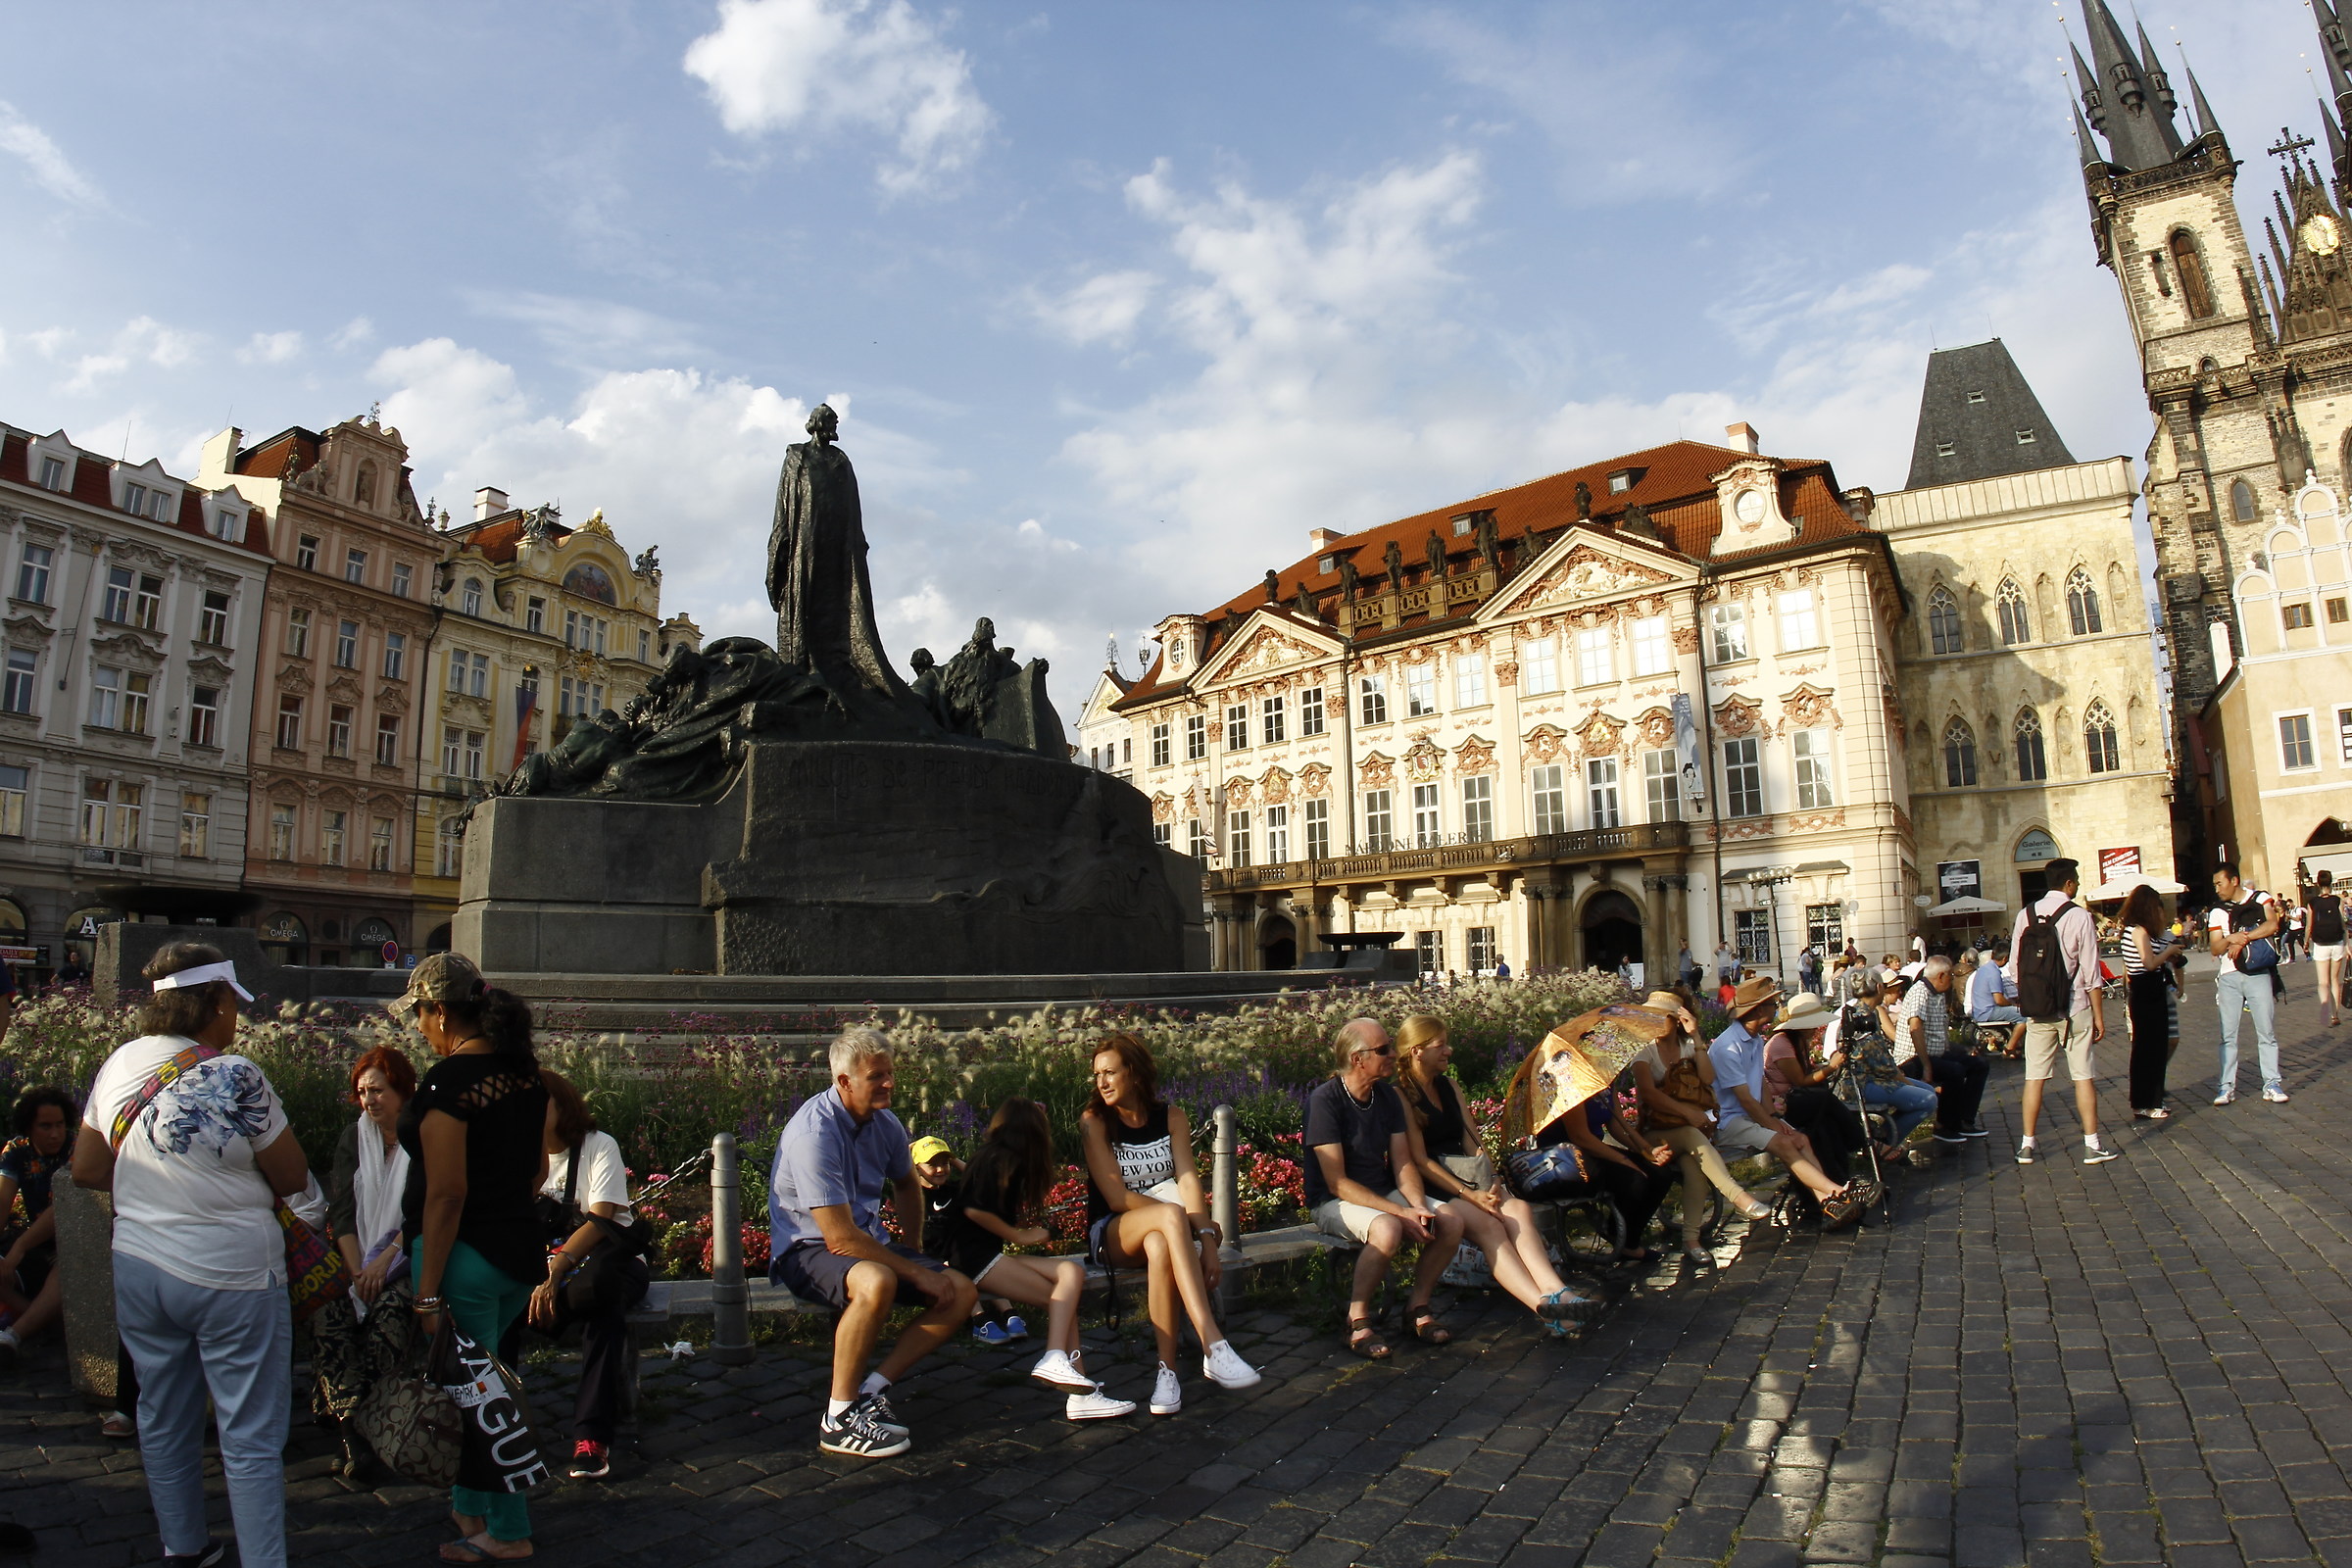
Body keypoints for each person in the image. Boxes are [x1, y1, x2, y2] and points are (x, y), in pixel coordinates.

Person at [72, 944, 318, 1568]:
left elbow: (88, 1167)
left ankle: (183, 1548)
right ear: (211, 1001)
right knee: (250, 1433)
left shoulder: (119, 1063)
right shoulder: (237, 1075)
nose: (237, 1016)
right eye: (233, 1003)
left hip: (140, 1266)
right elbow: (291, 1175)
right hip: (233, 1275)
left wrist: (154, 1187)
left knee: (162, 1415)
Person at [394, 952, 552, 1560]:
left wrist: (427, 1288)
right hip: (516, 1256)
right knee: (482, 1389)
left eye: (420, 1015)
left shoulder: (448, 1084)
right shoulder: (525, 1072)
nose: (417, 1028)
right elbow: (538, 1169)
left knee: (486, 1405)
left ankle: (508, 1534)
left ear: (440, 1012)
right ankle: (469, 1509)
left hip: (465, 1260)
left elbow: (446, 1193)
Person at [769, 1028, 979, 1457]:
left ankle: (871, 1390)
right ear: (844, 1082)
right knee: (876, 1281)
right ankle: (838, 1418)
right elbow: (839, 1238)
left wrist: (915, 1247)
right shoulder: (815, 1134)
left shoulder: (884, 1122)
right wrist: (917, 1271)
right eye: (876, 1076)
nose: (888, 1084)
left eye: (889, 1073)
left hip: (863, 1243)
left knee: (962, 1291)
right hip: (807, 1250)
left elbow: (906, 1182)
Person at [1080, 1035, 1260, 1412]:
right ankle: (1213, 1343)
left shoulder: (1170, 1116)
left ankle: (1167, 1375)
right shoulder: (1095, 1121)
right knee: (1169, 1217)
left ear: (1135, 1073)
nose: (1102, 1082)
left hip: (1163, 1233)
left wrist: (1208, 1244)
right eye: (1097, 1074)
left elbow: (1189, 1180)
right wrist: (1181, 1220)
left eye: (1110, 1072)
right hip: (1112, 1232)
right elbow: (1116, 1198)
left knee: (1161, 1245)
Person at [937, 1098, 1133, 1421]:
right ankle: (1061, 1366)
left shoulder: (993, 1157)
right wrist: (1020, 1235)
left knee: (1069, 1275)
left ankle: (1072, 1379)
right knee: (1062, 1300)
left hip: (983, 1255)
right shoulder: (1004, 1161)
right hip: (974, 1260)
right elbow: (975, 1211)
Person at [1394, 1015, 1596, 1321]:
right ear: (1417, 1051)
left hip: (1469, 1177)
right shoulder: (1400, 1095)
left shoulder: (1449, 1086)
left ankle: (1557, 1291)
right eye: (1440, 1045)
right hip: (1436, 1185)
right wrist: (1470, 1195)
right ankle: (1544, 1309)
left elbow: (1472, 1140)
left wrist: (1491, 1179)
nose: (1449, 1050)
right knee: (1490, 1227)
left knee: (1518, 1211)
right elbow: (1420, 1161)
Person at [1304, 1018, 1466, 1359]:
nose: (1394, 1054)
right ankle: (1357, 1318)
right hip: (1333, 1200)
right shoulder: (1326, 1100)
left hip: (1378, 1192)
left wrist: (1418, 1205)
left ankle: (1417, 1306)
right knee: (1388, 1228)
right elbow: (1338, 1183)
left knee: (1449, 1220)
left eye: (1391, 1046)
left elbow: (1403, 1162)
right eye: (1383, 1050)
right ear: (1357, 1059)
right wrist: (1401, 1212)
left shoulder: (1387, 1097)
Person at [531, 1071, 654, 1480]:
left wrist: (558, 1268)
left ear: (561, 1105)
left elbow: (601, 1218)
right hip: (547, 1273)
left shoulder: (599, 1146)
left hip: (608, 1265)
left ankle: (591, 1436)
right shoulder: (521, 1157)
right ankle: (502, 1422)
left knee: (604, 1304)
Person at [312, 1047, 417, 1478]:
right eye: (362, 1092)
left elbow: (426, 1213)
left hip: (408, 1258)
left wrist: (383, 1263)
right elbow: (341, 1212)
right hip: (360, 1261)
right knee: (329, 1313)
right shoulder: (353, 1139)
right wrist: (357, 1272)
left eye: (377, 1090)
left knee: (392, 1311)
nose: (368, 1099)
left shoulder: (424, 1137)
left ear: (401, 1090)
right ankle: (351, 1427)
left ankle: (374, 1427)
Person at [1623, 993, 1774, 1269]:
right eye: (1652, 1015)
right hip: (1656, 1131)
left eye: (1662, 1016)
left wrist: (1697, 1037)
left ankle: (1691, 1240)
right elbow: (1647, 1093)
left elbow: (1708, 1078)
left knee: (1694, 1167)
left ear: (1677, 1020)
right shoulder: (1645, 1049)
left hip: (1688, 1132)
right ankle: (1737, 1196)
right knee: (1693, 1136)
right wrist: (1687, 1113)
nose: (1655, 1021)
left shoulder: (1687, 1046)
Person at [1708, 977, 1862, 1229]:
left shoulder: (1755, 1039)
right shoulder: (1728, 1046)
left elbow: (1760, 1086)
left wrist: (1776, 1118)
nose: (1778, 1007)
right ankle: (1838, 1193)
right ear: (1758, 1009)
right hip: (1729, 1119)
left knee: (1800, 1138)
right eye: (1772, 1003)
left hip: (1750, 1115)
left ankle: (1827, 1203)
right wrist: (1771, 1124)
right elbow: (1745, 1099)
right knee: (1785, 1143)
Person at [2004, 859, 2112, 1164]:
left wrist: (2033, 996)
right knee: (2083, 1076)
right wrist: (2099, 1016)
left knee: (2034, 1078)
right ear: (2068, 884)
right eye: (2075, 881)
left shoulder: (2024, 915)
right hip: (2074, 1006)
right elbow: (2092, 973)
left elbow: (2015, 968)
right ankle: (2092, 1144)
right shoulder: (2079, 916)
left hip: (2038, 1011)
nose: (2076, 885)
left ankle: (2027, 1145)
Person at [1541, 1057, 1678, 1266]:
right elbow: (1580, 1137)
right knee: (1635, 1178)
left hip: (1591, 1149)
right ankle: (1622, 1241)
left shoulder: (1604, 1078)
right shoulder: (1569, 1080)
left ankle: (1625, 1238)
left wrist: (1647, 1150)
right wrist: (1624, 1160)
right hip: (1565, 1156)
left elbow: (1617, 1124)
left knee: (1661, 1174)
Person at [909, 1135, 1026, 1346]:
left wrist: (954, 1160)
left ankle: (1010, 1314)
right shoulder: (912, 1196)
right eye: (932, 1164)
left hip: (962, 1254)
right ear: (917, 1167)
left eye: (944, 1163)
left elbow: (984, 1180)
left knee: (978, 1260)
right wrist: (904, 1158)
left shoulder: (956, 1189)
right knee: (957, 1269)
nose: (940, 1170)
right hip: (934, 1259)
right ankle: (980, 1319)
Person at [1761, 994, 1876, 1185]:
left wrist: (1824, 1069)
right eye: (1812, 1025)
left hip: (1798, 1099)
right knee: (1826, 1099)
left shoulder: (1798, 1042)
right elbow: (1800, 1081)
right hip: (1782, 1103)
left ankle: (1839, 1179)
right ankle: (1861, 1141)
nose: (1815, 1029)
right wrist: (1831, 1067)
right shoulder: (1781, 1043)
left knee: (1825, 1128)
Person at [0, 1087, 78, 1362]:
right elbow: (2, 1199)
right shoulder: (17, 1150)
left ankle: (14, 1335)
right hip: (32, 1242)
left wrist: (20, 1247)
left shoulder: (76, 1148)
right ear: (30, 1127)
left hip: (70, 1240)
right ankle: (45, 1322)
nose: (55, 1133)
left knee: (67, 1267)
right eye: (45, 1126)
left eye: (59, 1124)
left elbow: (62, 1209)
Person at [2207, 861, 2286, 1105]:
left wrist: (2243, 939)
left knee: (2266, 1031)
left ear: (2234, 880)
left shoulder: (2261, 899)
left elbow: (2272, 925)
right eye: (2214, 885)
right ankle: (2226, 1086)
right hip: (2229, 976)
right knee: (2228, 1035)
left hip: (2258, 972)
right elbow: (2215, 947)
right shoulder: (2217, 911)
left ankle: (2272, 1083)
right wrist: (2229, 937)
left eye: (2220, 883)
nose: (2217, 889)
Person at [1838, 977, 1936, 1152]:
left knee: (1928, 1091)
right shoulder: (1862, 1016)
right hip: (1863, 1083)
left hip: (1878, 1078)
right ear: (1878, 987)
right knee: (1927, 1099)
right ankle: (1887, 1143)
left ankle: (1884, 1136)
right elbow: (1881, 1064)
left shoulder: (1872, 1012)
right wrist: (1906, 1081)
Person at [1897, 957, 1989, 1146]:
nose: (1952, 980)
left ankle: (1964, 1120)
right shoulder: (1920, 992)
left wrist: (1963, 1050)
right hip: (1913, 1058)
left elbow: (1940, 1034)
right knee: (1955, 1071)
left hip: (1936, 1053)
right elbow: (1915, 1028)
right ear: (1940, 976)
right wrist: (1926, 1066)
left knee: (1979, 1065)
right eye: (1951, 976)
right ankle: (1943, 1125)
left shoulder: (1937, 994)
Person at [2117, 885, 2186, 1120]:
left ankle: (2151, 1098)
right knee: (2147, 1048)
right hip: (2146, 987)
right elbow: (2148, 963)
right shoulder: (2139, 931)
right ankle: (2144, 1101)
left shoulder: (2136, 931)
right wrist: (2169, 951)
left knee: (2153, 1047)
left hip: (2147, 989)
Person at [1966, 941, 2029, 1057]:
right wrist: (2013, 1005)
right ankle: (2009, 1048)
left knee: (2016, 1012)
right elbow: (1999, 999)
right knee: (2024, 1015)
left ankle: (2015, 1044)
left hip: (1979, 1010)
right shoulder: (1993, 972)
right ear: (2005, 958)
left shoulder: (1983, 969)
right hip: (1988, 1012)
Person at [2305, 870, 2345, 1029]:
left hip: (2321, 944)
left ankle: (2324, 1012)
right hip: (2337, 943)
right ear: (2331, 883)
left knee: (2323, 982)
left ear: (2318, 884)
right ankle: (2335, 1014)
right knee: (2335, 980)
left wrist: (2306, 941)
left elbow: (2309, 926)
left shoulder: (2312, 903)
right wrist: (2347, 944)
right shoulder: (2337, 900)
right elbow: (2343, 923)